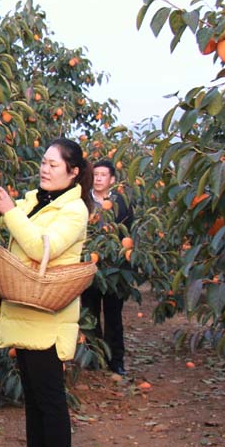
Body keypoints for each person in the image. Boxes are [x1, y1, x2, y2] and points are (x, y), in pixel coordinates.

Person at [0, 138, 93, 447]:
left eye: (53, 164)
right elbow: (4, 217)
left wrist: (9, 212)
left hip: (48, 318)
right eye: (43, 162)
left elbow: (40, 248)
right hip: (24, 312)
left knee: (50, 400)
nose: (45, 169)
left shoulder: (74, 210)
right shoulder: (36, 199)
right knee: (32, 397)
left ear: (73, 172)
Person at [81, 159, 134, 376]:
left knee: (114, 316)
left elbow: (127, 233)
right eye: (96, 174)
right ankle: (94, 358)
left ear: (112, 179)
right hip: (89, 265)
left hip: (114, 268)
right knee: (90, 313)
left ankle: (116, 361)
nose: (99, 178)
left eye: (103, 175)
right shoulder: (83, 201)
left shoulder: (121, 202)